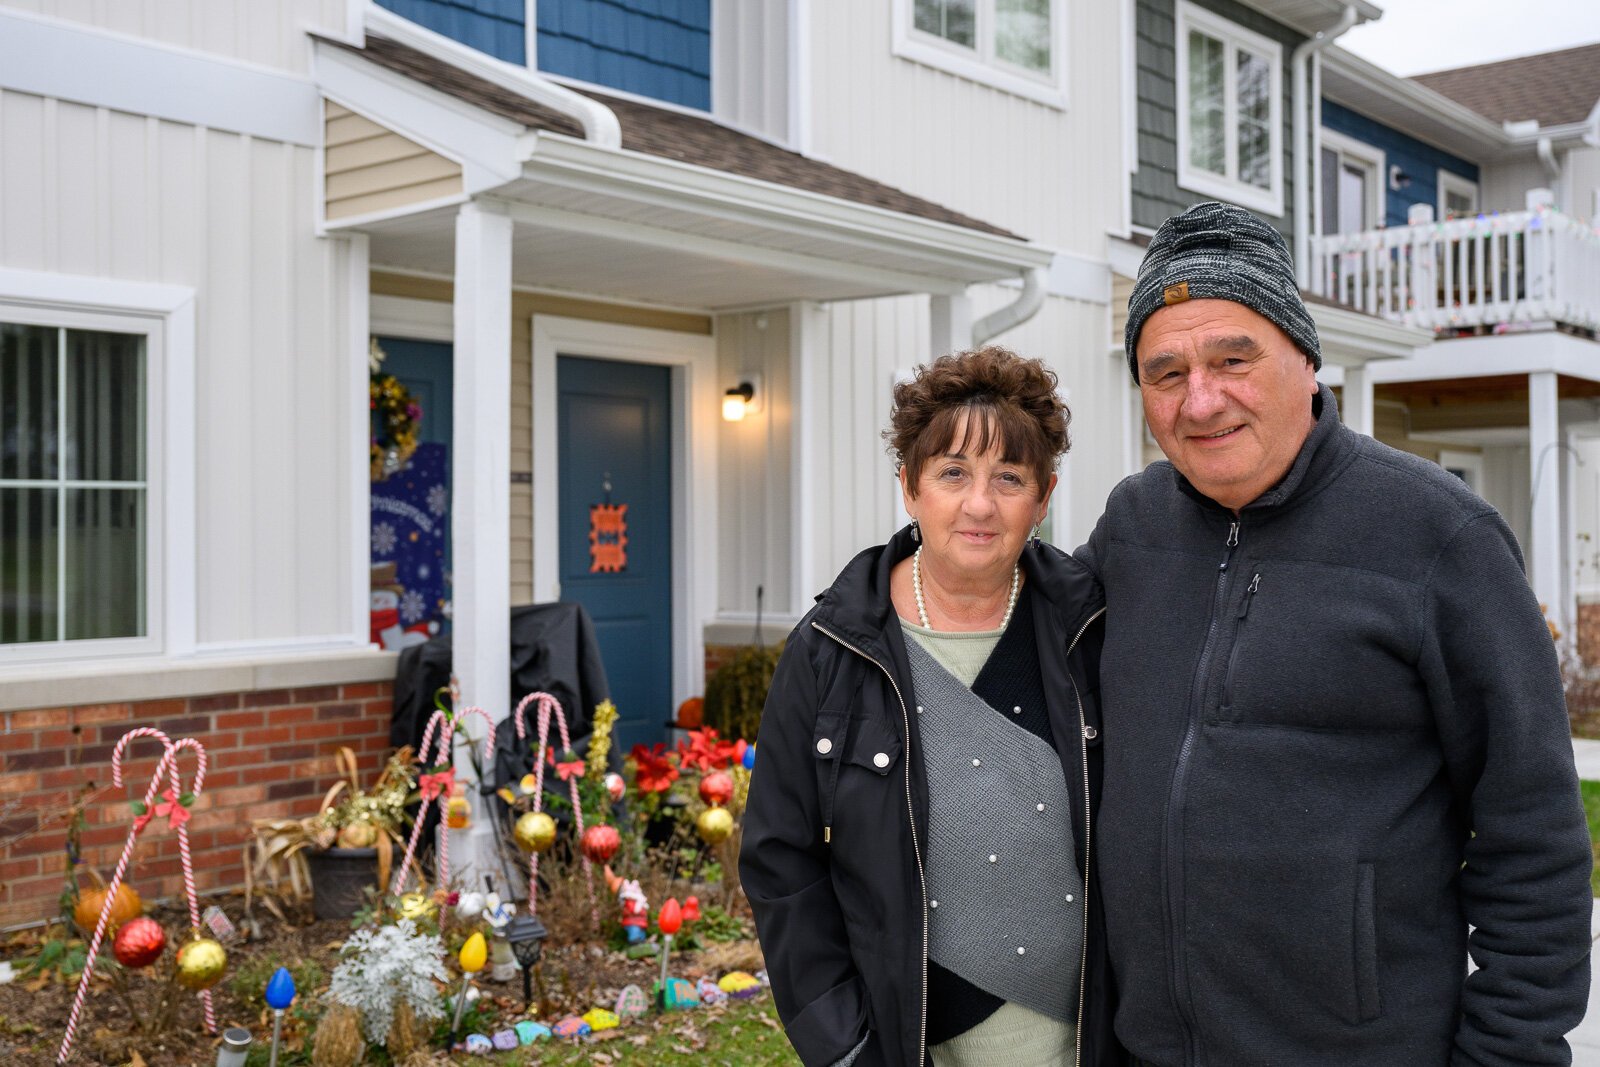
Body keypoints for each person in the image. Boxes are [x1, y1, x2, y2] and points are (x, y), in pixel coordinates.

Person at [1078, 200, 1592, 1066]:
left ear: (1305, 360)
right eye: (1165, 373)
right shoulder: (1131, 529)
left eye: (1232, 359)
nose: (1200, 400)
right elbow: (999, 631)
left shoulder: (1441, 540)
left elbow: (1532, 840)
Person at [741, 347, 1120, 1067]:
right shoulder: (832, 648)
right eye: (953, 473)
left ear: (1043, 497)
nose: (980, 504)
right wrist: (845, 1043)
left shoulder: (1091, 631)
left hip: (1085, 1043)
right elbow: (780, 860)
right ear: (910, 487)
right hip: (905, 1043)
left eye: (1009, 477)